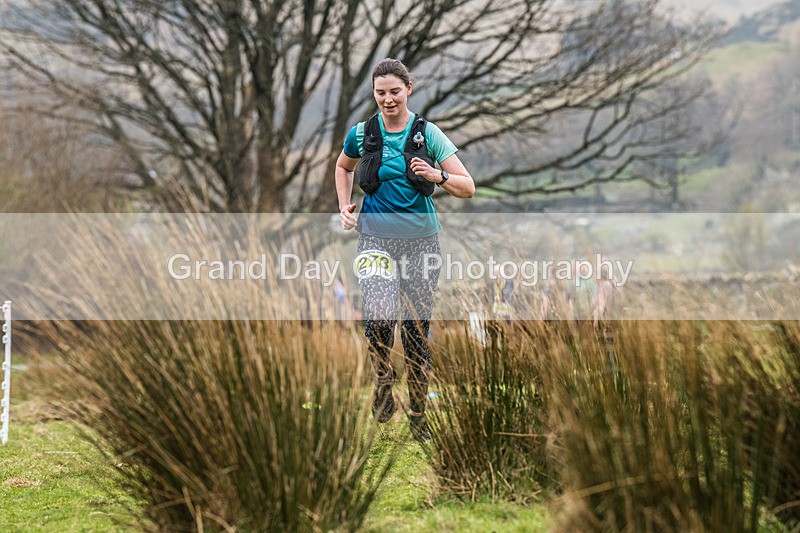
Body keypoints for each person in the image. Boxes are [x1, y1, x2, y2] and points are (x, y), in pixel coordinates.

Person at [334, 58, 475, 441]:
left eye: (395, 92)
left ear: (408, 89)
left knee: (415, 332)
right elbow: (343, 167)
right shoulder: (361, 134)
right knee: (379, 318)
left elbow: (468, 185)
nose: (388, 99)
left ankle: (418, 417)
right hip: (375, 240)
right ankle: (382, 377)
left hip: (422, 243)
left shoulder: (428, 134)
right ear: (374, 94)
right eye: (381, 93)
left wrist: (438, 176)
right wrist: (344, 205)